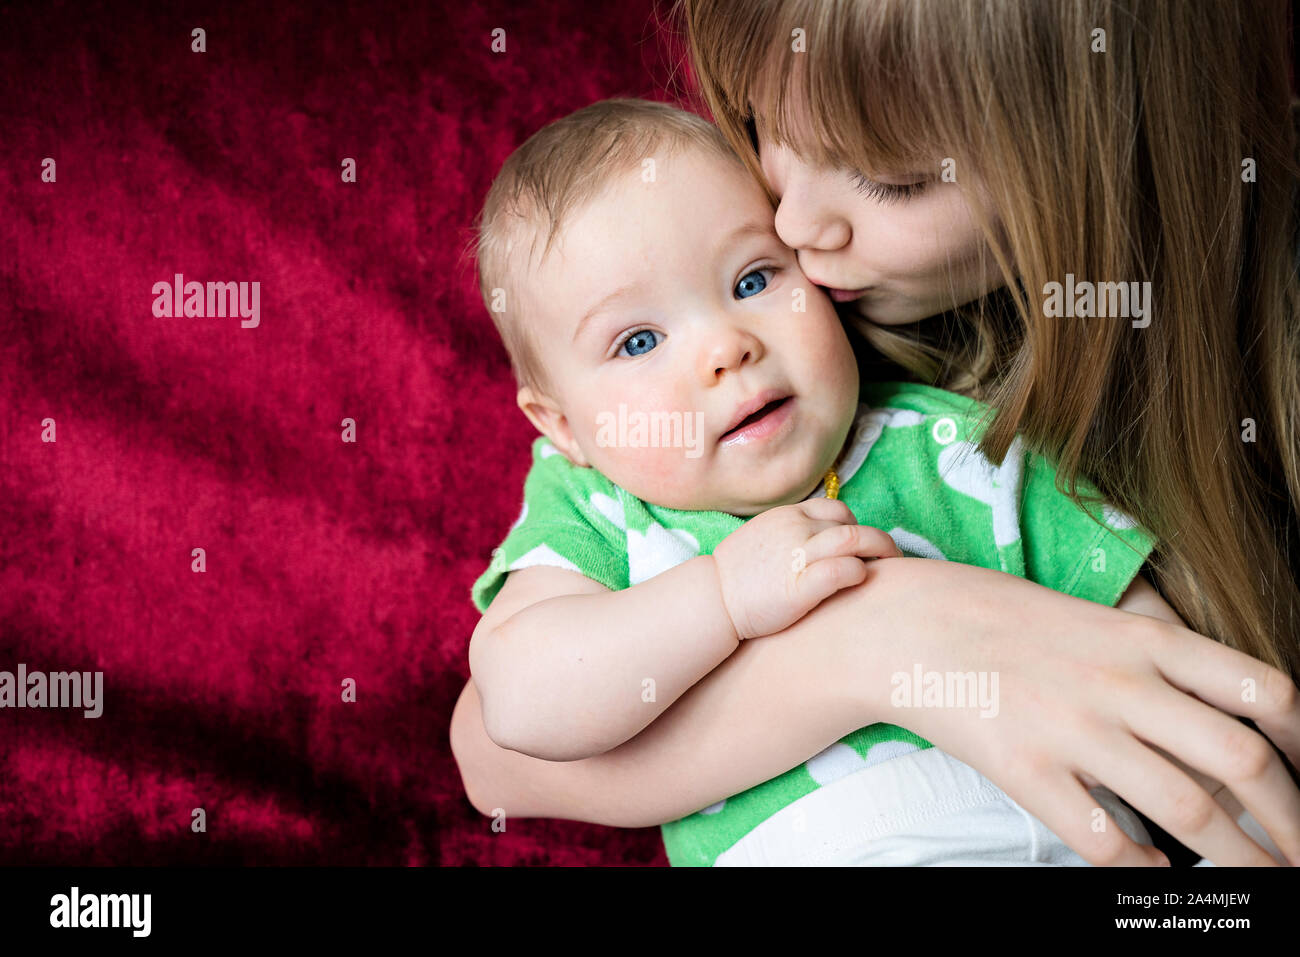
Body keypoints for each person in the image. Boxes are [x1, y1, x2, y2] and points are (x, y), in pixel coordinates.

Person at [450, 0, 1300, 866]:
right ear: (560, 426)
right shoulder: (606, 493)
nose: (792, 226)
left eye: (890, 177)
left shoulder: (956, 445)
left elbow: (1180, 702)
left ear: (1112, 152)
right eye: (760, 124)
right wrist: (750, 608)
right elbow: (501, 731)